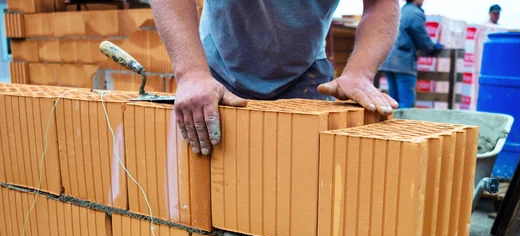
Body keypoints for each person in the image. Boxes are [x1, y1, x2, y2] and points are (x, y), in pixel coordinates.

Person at [152, 0, 400, 156]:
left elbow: (381, 3)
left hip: (306, 73)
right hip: (218, 70)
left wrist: (360, 72)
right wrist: (192, 73)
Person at [379, 0, 443, 108]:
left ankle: (392, 123)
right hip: (403, 62)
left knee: (394, 101)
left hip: (389, 60)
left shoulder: (400, 10)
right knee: (406, 103)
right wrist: (433, 48)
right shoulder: (415, 13)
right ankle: (403, 124)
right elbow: (420, 36)